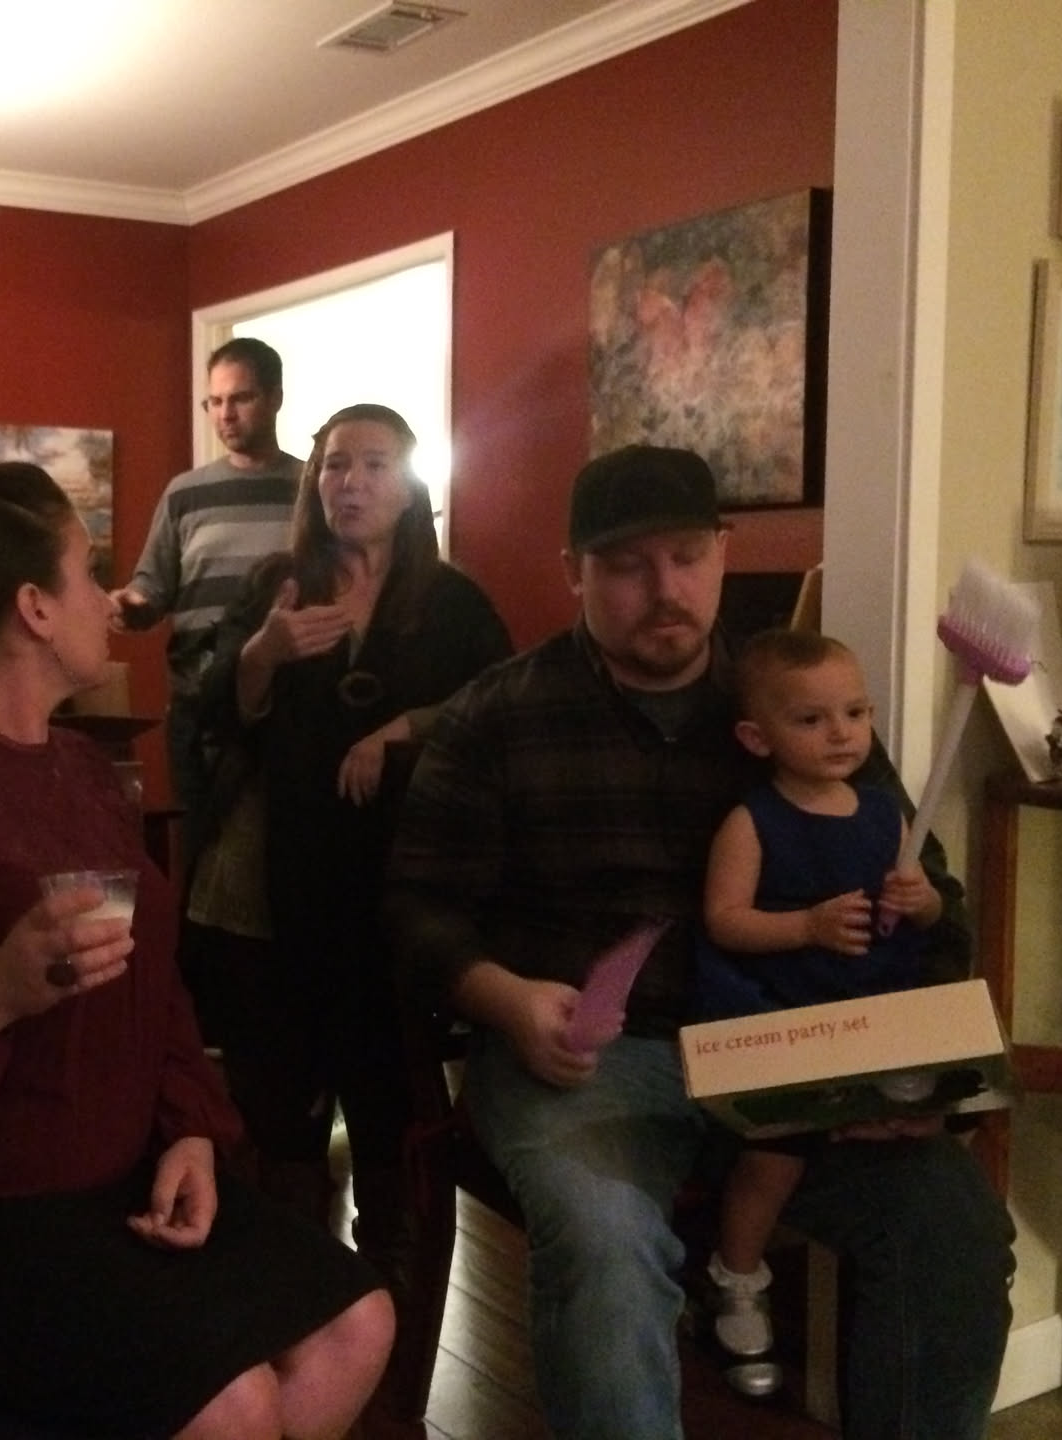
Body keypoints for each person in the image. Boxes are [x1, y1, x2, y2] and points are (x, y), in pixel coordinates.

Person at [384, 444, 1015, 1440]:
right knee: (606, 1247)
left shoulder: (798, 702)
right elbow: (416, 910)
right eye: (627, 565)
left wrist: (905, 1070)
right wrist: (507, 998)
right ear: (574, 571)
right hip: (592, 1062)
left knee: (954, 1228)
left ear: (723, 552)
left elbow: (932, 898)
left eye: (686, 557)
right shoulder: (498, 716)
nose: (665, 589)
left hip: (799, 1053)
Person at [0, 463, 394, 1440]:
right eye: (87, 574)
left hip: (117, 1179)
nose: (109, 600)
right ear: (33, 608)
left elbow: (154, 984)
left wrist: (189, 1129)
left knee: (357, 1324)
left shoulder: (84, 769)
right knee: (232, 1406)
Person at [200, 402, 512, 1271]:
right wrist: (264, 652)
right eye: (336, 464)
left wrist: (402, 728)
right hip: (289, 871)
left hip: (401, 873)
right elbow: (217, 710)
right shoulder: (279, 584)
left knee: (385, 1082)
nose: (352, 482)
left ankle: (390, 1271)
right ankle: (291, 1272)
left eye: (375, 465)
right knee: (284, 1091)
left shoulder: (450, 599)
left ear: (409, 488)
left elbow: (497, 707)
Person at [696, 627, 943, 1362]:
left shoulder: (884, 813)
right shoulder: (752, 821)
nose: (841, 733)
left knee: (932, 1114)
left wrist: (921, 898)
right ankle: (737, 1275)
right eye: (810, 719)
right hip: (790, 1016)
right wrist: (805, 926)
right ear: (757, 737)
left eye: (855, 713)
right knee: (775, 1154)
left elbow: (928, 913)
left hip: (875, 1013)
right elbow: (724, 920)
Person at [114, 337, 303, 851]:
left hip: (289, 702)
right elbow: (153, 585)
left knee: (287, 849)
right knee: (203, 850)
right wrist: (133, 605)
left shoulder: (311, 488)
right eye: (214, 401)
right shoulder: (185, 492)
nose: (225, 414)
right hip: (199, 705)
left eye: (240, 398)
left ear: (275, 398)